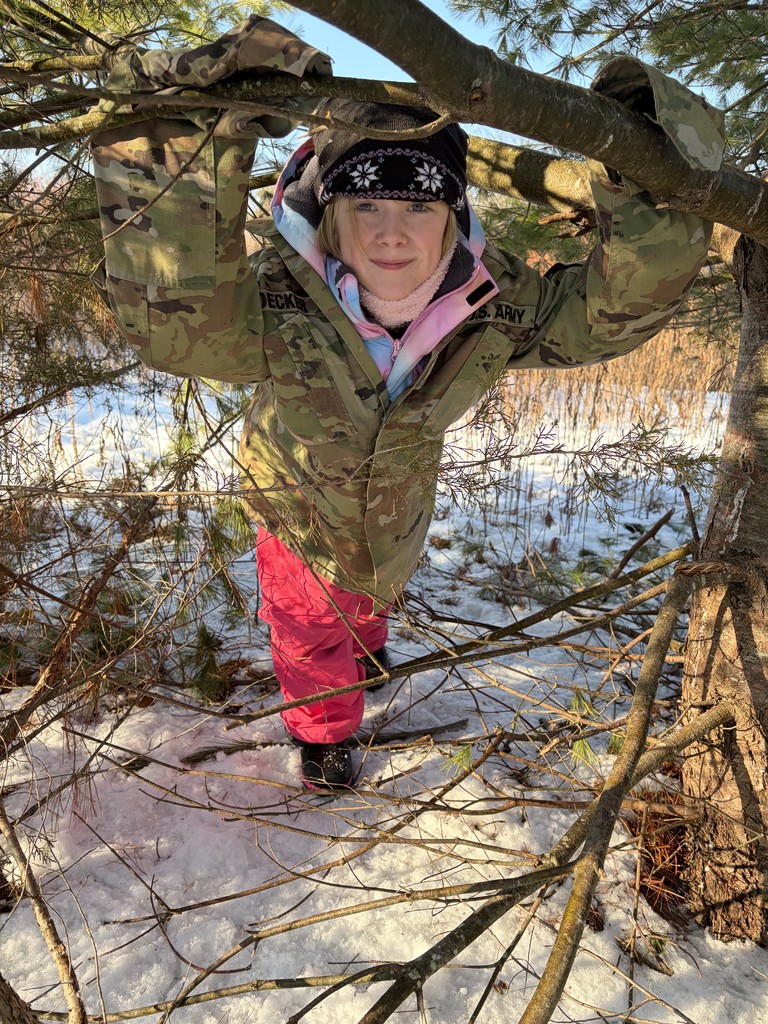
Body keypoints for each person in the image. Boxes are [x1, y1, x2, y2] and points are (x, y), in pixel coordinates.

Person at [91, 16, 723, 791]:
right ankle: (323, 729)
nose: (392, 233)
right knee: (309, 628)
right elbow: (177, 322)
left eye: (419, 205)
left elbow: (605, 317)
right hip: (296, 511)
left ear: (452, 214)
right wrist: (192, 123)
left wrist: (650, 172)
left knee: (369, 590)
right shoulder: (279, 299)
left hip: (397, 510)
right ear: (332, 211)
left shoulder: (495, 304)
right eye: (367, 206)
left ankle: (365, 644)